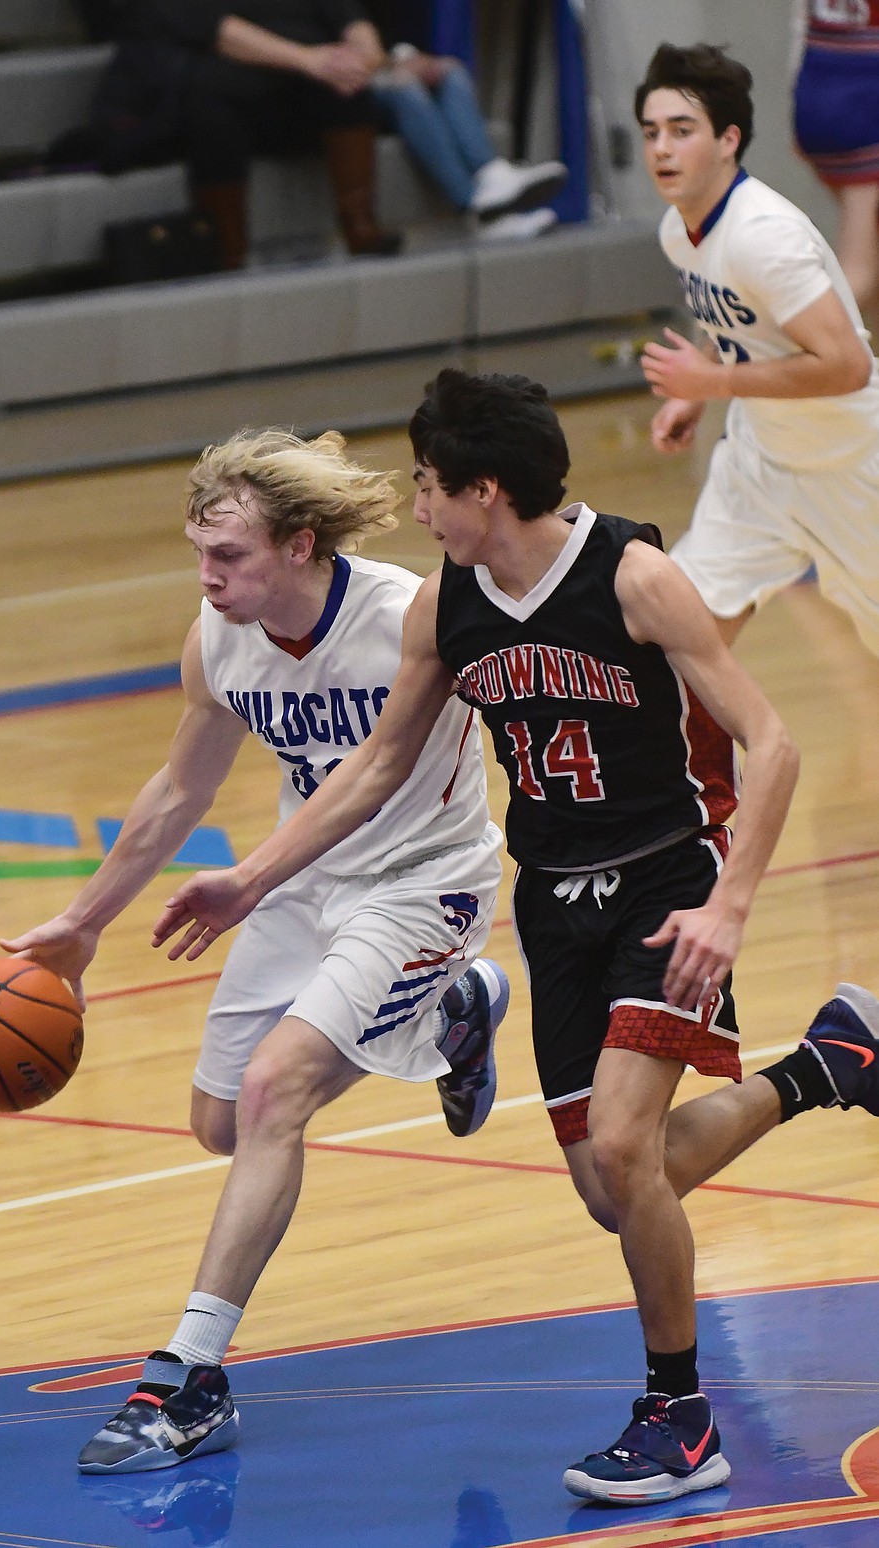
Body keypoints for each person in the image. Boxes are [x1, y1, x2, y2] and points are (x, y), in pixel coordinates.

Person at [152, 369, 879, 1505]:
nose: (418, 504)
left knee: (633, 1151)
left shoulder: (635, 576)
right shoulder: (450, 604)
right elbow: (380, 764)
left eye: (431, 484)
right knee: (612, 1184)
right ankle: (830, 1065)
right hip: (551, 902)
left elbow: (772, 741)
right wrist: (251, 877)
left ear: (486, 488)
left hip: (665, 887)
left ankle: (681, 1415)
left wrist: (729, 903)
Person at [0, 426, 508, 1473]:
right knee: (222, 1122)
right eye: (199, 553)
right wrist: (85, 920)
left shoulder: (407, 614)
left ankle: (186, 1377)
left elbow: (373, 775)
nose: (207, 576)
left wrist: (249, 878)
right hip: (296, 877)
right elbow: (180, 789)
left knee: (278, 1090)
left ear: (300, 544)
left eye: (227, 555)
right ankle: (455, 1015)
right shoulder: (216, 636)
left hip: (419, 884)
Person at [635, 42, 879, 655]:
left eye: (681, 130)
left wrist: (709, 385)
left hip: (850, 465)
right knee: (678, 630)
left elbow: (847, 367)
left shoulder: (764, 237)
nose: (662, 148)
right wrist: (698, 389)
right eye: (651, 132)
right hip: (761, 460)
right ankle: (712, 756)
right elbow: (731, 319)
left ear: (728, 140)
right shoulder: (678, 228)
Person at [111, 0, 404, 269]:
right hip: (216, 81)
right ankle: (229, 250)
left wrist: (362, 57)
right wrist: (310, 61)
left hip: (300, 89)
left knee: (346, 86)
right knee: (209, 103)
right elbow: (216, 31)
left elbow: (349, 15)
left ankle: (361, 227)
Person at [369, 44, 567, 241]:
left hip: (384, 65)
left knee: (449, 71)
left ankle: (493, 174)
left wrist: (417, 62)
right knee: (405, 89)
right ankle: (477, 208)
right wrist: (392, 66)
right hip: (359, 92)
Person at [793, 0, 879, 324]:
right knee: (859, 269)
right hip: (864, 105)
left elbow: (799, 22)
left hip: (814, 94)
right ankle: (771, 352)